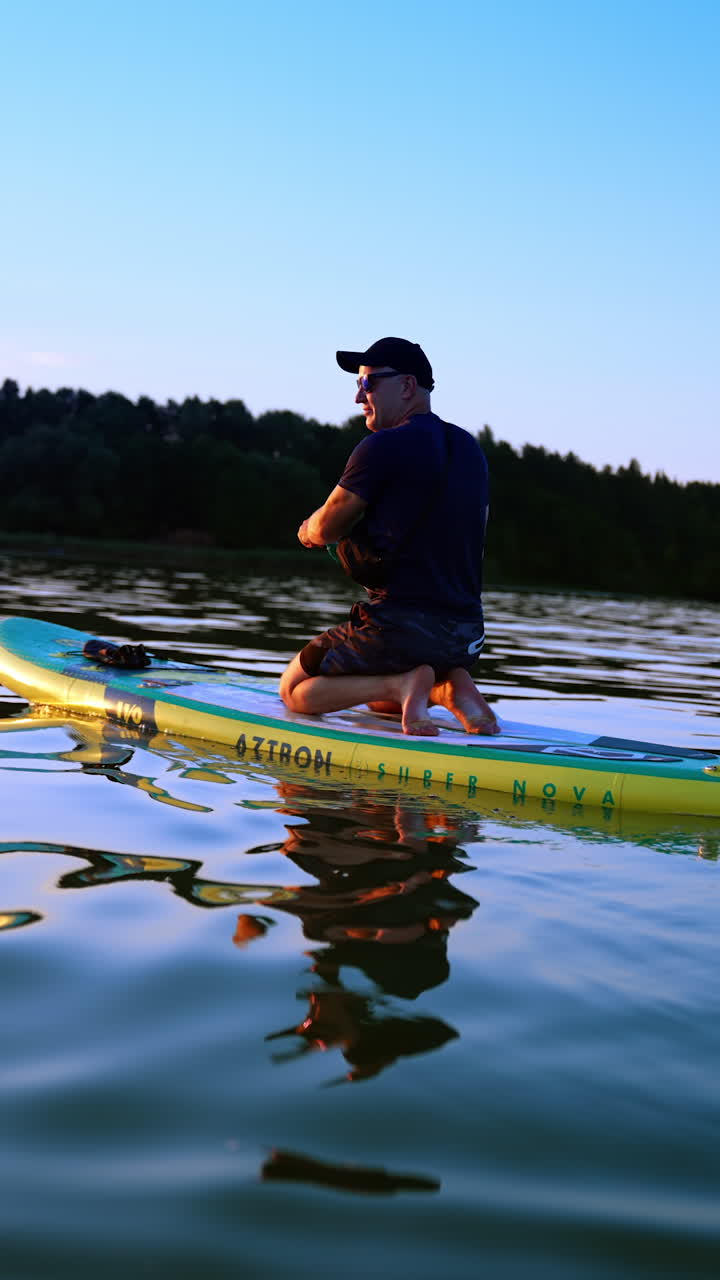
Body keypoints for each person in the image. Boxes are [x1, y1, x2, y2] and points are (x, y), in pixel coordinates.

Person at [279, 336, 498, 736]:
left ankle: (405, 683)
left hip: (399, 629)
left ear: (407, 386)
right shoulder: (470, 449)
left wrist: (307, 530)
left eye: (367, 384)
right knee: (376, 701)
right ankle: (448, 687)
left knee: (294, 690)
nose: (358, 396)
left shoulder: (381, 446)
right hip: (466, 635)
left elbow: (327, 525)